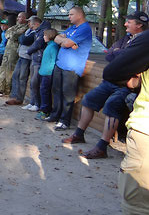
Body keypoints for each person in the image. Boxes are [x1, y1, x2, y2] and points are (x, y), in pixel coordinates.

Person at [61, 11, 148, 159]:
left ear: (139, 25)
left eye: (129, 22)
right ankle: (78, 134)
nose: (125, 24)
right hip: (110, 82)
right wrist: (119, 53)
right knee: (88, 100)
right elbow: (109, 54)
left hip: (126, 86)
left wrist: (119, 53)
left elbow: (125, 57)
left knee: (111, 107)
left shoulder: (144, 42)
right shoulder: (127, 39)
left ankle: (102, 147)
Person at [99, 28, 149, 214]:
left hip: (145, 132)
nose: (126, 23)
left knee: (138, 206)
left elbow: (113, 71)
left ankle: (102, 144)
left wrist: (135, 76)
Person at [46, 6, 93, 130]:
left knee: (68, 95)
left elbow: (65, 43)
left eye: (71, 14)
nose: (69, 16)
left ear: (79, 15)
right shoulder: (72, 28)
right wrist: (65, 41)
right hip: (60, 64)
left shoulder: (85, 28)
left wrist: (65, 42)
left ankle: (64, 121)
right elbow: (56, 37)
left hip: (72, 67)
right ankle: (55, 115)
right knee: (56, 91)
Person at [0, 12, 28, 97]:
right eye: (18, 17)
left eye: (20, 17)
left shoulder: (25, 28)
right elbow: (7, 33)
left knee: (10, 70)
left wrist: (11, 34)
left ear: (24, 18)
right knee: (3, 68)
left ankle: (7, 89)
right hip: (7, 50)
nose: (18, 18)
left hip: (14, 51)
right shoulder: (15, 27)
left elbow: (14, 35)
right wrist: (11, 34)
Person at [5, 16, 40, 105]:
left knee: (22, 77)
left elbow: (24, 40)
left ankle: (19, 98)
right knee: (15, 75)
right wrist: (22, 38)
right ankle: (13, 96)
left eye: (30, 22)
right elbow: (21, 38)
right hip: (21, 55)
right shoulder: (28, 31)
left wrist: (22, 38)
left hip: (27, 57)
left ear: (35, 23)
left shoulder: (35, 32)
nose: (28, 24)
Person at [25, 17, 52, 111]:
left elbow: (38, 44)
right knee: (32, 82)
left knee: (35, 82)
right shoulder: (37, 31)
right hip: (34, 58)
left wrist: (28, 51)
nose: (30, 27)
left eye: (31, 25)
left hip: (39, 59)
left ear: (36, 24)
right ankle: (32, 102)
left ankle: (37, 104)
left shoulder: (43, 31)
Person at [34, 28, 60, 120]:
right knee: (43, 91)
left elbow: (54, 60)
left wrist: (50, 71)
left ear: (50, 36)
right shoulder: (49, 45)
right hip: (43, 72)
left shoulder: (53, 47)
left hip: (48, 73)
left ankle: (45, 111)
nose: (44, 37)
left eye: (45, 35)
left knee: (45, 91)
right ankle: (44, 109)